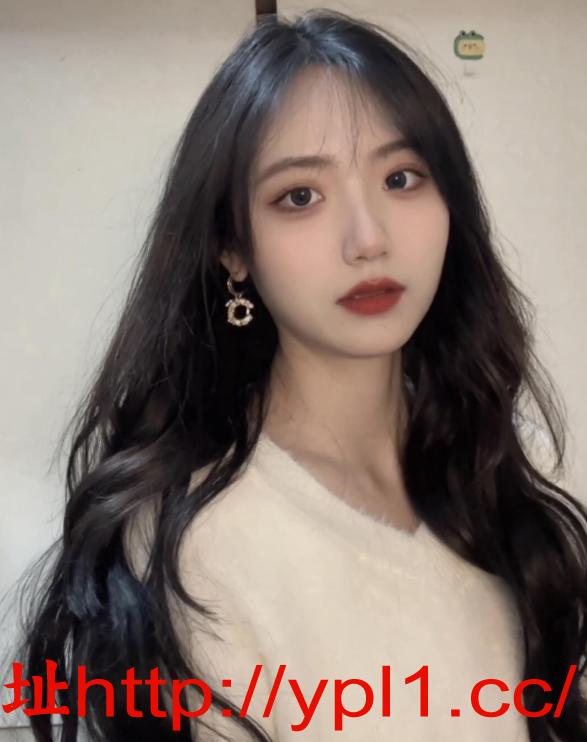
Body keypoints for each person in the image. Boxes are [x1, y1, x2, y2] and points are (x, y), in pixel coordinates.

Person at [10, 8, 587, 742]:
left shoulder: (509, 464)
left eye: (402, 178)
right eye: (300, 197)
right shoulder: (196, 549)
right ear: (232, 248)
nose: (368, 238)